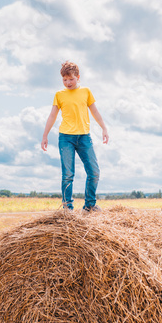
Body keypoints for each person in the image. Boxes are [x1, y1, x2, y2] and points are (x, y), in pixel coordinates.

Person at [41, 61, 109, 211]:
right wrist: (45, 135)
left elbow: (95, 112)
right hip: (66, 138)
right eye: (64, 80)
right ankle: (67, 208)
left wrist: (104, 128)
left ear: (78, 77)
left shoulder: (86, 92)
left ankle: (90, 205)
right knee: (68, 175)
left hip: (84, 137)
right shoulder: (59, 95)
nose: (68, 82)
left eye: (71, 79)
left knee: (94, 172)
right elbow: (52, 116)